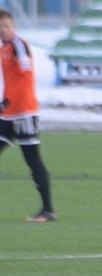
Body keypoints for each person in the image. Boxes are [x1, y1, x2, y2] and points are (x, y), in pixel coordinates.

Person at [0, 8, 56, 222]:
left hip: (24, 112)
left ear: (13, 26)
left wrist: (11, 100)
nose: (4, 30)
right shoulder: (4, 48)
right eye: (0, 27)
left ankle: (48, 210)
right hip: (8, 113)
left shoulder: (18, 45)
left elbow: (25, 73)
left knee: (32, 159)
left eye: (6, 26)